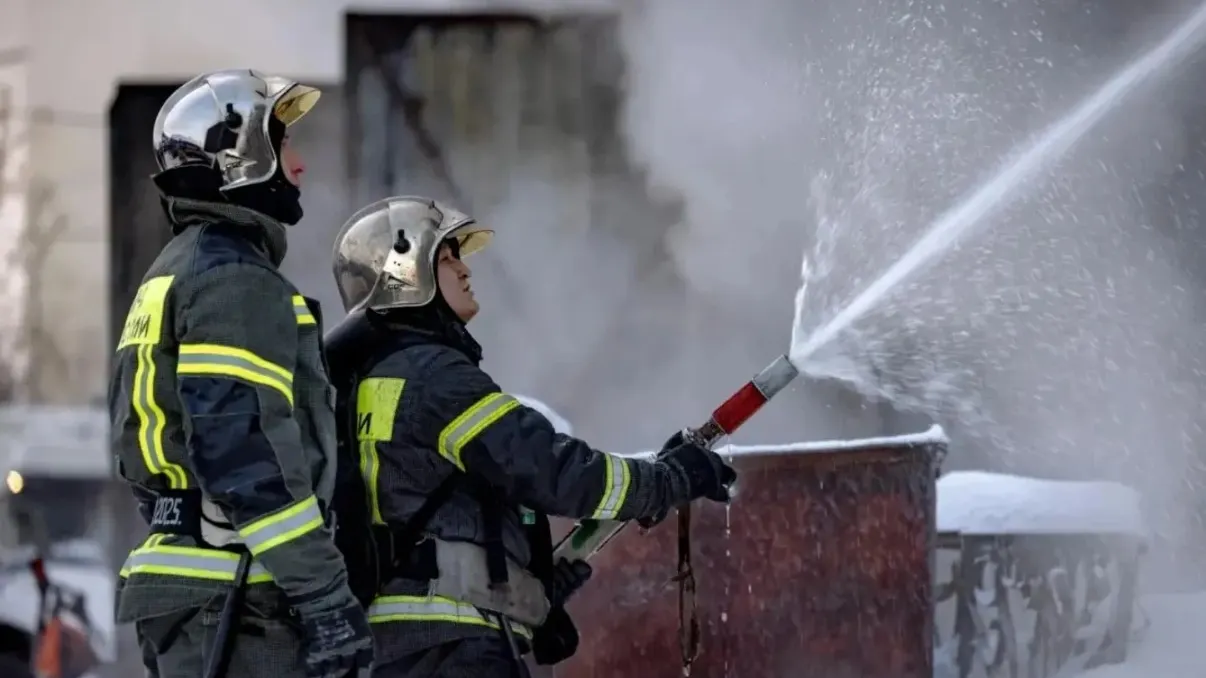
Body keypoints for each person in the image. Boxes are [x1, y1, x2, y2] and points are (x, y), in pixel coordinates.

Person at [323, 196, 738, 677]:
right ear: (404, 271)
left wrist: (530, 592)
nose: (464, 269)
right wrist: (668, 479)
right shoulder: (432, 375)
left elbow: (431, 518)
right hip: (454, 651)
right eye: (447, 255)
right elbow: (552, 471)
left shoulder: (369, 384)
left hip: (401, 651)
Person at [109, 69, 373, 678]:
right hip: (237, 594)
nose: (299, 165)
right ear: (240, 157)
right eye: (284, 145)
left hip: (194, 580)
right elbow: (245, 451)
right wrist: (323, 592)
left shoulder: (175, 269)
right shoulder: (232, 279)